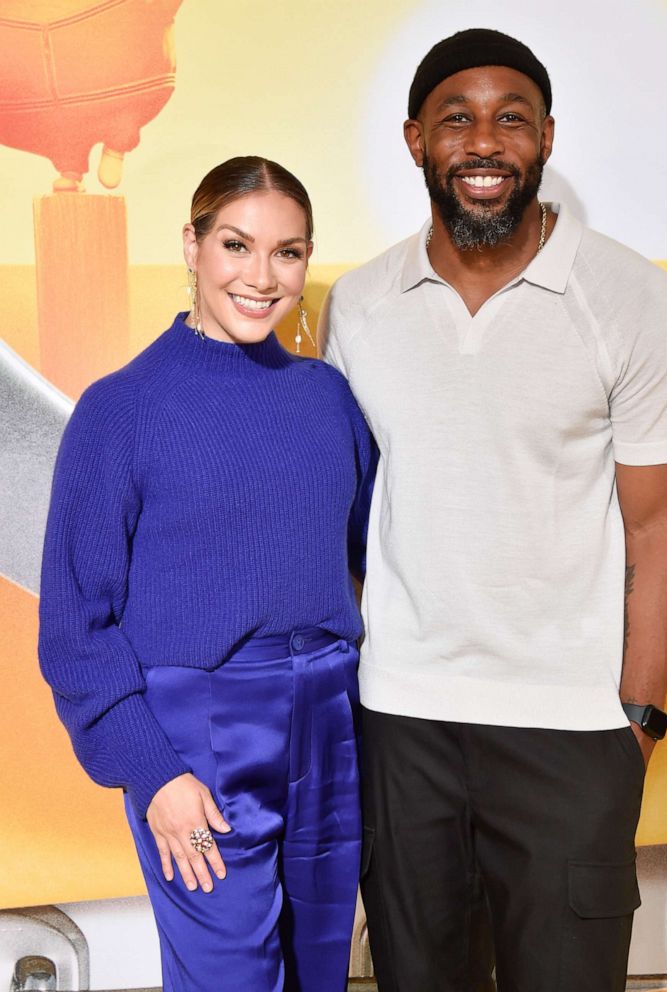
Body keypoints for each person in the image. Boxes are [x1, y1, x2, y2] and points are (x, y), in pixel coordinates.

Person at [319, 28, 667, 992]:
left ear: (546, 140)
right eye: (457, 118)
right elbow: (350, 513)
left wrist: (639, 720)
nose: (484, 142)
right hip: (404, 722)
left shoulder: (631, 299)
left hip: (572, 733)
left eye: (511, 120)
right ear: (416, 140)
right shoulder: (360, 307)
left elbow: (660, 526)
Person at [38, 155, 374, 992]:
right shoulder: (120, 409)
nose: (261, 278)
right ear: (190, 245)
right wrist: (153, 772)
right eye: (236, 245)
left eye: (288, 253)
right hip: (203, 738)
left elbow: (377, 556)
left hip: (333, 721)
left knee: (320, 972)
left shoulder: (326, 397)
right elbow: (75, 629)